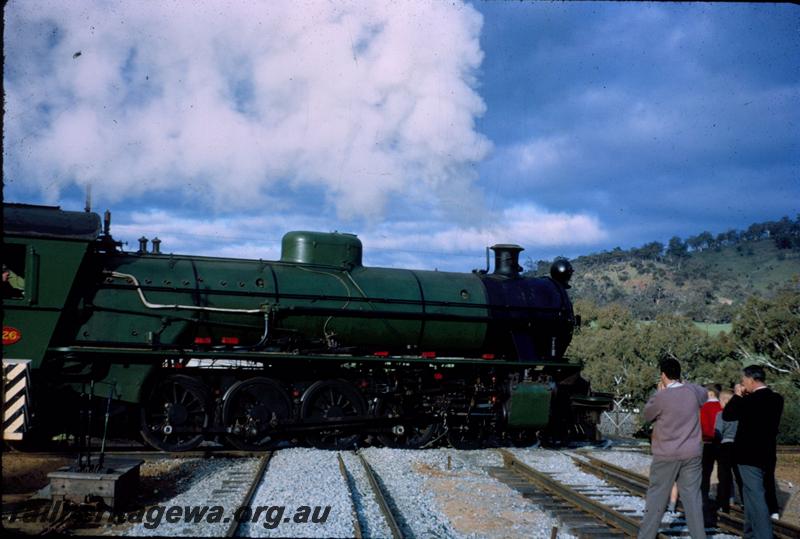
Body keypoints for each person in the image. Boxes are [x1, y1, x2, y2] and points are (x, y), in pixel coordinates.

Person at [638, 357, 708, 539]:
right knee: (693, 499)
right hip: (692, 453)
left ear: (662, 375)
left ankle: (646, 536)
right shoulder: (692, 391)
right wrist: (684, 383)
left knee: (656, 499)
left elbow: (647, 415)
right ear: (679, 374)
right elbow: (704, 393)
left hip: (666, 455)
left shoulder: (661, 397)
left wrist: (657, 393)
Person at [722, 364, 784, 539]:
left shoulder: (746, 401)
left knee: (756, 498)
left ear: (750, 379)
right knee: (749, 498)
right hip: (768, 454)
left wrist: (737, 395)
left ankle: (764, 536)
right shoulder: (777, 399)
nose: (743, 384)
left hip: (747, 456)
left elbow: (727, 415)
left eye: (743, 380)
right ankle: (749, 534)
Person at [714, 389, 742, 513]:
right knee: (740, 476)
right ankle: (745, 503)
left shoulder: (721, 415)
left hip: (725, 447)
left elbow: (718, 432)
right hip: (738, 446)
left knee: (724, 477)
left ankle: (723, 504)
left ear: (725, 401)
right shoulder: (740, 415)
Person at [700, 384, 722, 509]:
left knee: (706, 472)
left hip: (709, 442)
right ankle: (723, 498)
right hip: (722, 442)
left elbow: (703, 425)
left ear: (710, 393)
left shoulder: (705, 407)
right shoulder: (721, 406)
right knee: (722, 472)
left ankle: (704, 496)